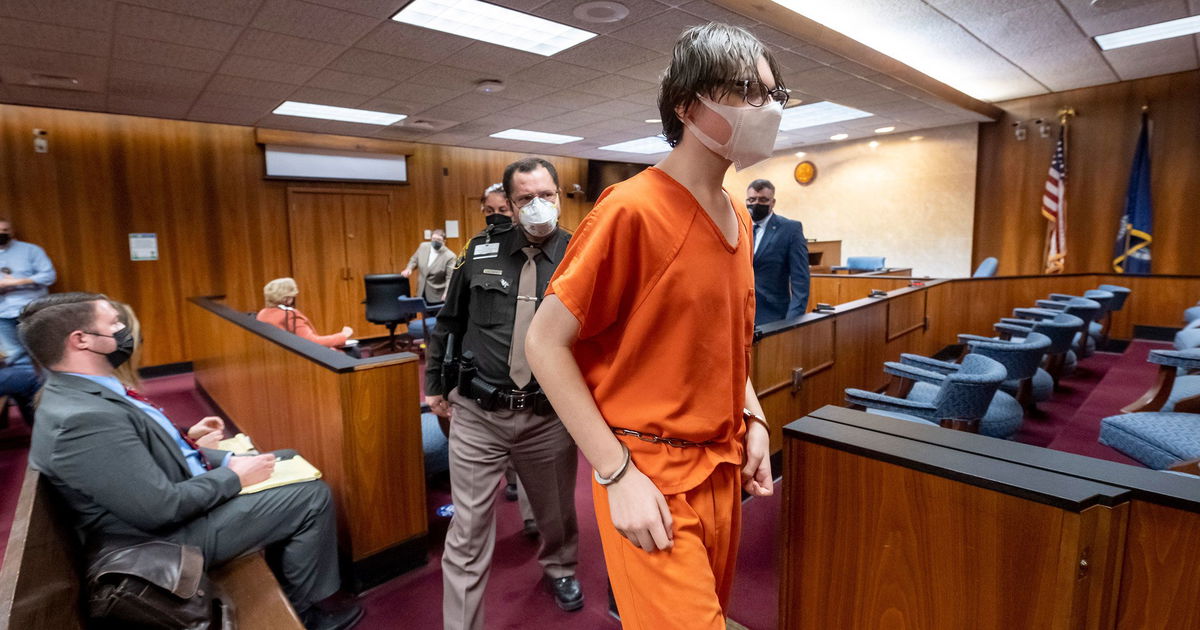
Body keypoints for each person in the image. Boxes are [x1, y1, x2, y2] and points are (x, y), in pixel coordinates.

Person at [526, 23, 780, 629]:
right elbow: (544, 342)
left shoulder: (740, 218)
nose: (765, 109)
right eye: (747, 91)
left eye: (772, 94)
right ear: (688, 105)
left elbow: (726, 345)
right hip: (649, 471)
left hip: (722, 464)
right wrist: (615, 474)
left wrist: (755, 416)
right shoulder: (631, 209)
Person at [21, 293, 361, 630]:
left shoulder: (85, 390)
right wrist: (234, 477)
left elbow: (148, 448)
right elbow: (158, 509)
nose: (125, 330)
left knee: (285, 457)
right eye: (113, 323)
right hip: (165, 540)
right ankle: (307, 613)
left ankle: (296, 577)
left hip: (173, 501)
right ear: (80, 340)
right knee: (310, 497)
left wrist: (227, 457)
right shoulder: (83, 418)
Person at [426, 157, 583, 629]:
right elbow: (449, 322)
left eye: (547, 196)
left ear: (560, 196)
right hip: (478, 411)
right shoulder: (479, 252)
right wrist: (436, 385)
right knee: (468, 528)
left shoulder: (582, 256)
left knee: (555, 513)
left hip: (548, 416)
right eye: (525, 199)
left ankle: (560, 567)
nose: (538, 206)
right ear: (511, 206)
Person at [747, 179, 810, 325]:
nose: (756, 203)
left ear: (772, 202)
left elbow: (800, 281)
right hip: (741, 315)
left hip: (774, 316)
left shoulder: (790, 229)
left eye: (763, 199)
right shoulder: (739, 226)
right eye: (752, 199)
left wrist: (792, 321)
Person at [0, 218, 56, 367]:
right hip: (3, 314)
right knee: (14, 355)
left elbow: (49, 276)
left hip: (30, 310)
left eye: (5, 230)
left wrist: (16, 282)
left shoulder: (31, 250)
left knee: (41, 350)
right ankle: (27, 388)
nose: (2, 234)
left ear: (11, 231)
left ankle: (48, 388)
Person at [256, 278, 352, 348]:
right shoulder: (290, 315)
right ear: (287, 297)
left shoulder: (262, 313)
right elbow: (312, 343)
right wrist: (343, 335)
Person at [402, 229, 457, 305]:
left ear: (444, 241)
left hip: (438, 295)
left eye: (439, 240)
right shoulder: (423, 247)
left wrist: (447, 293)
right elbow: (414, 259)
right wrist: (409, 268)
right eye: (434, 239)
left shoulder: (450, 256)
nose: (435, 241)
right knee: (424, 315)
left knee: (436, 316)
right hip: (421, 291)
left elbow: (450, 277)